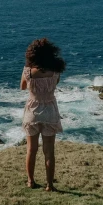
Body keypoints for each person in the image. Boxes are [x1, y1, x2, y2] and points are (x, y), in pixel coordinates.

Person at [20, 37, 65, 191]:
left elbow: (22, 87)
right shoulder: (56, 71)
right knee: (49, 151)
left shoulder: (28, 71)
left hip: (32, 111)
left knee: (31, 150)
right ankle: (49, 185)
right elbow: (54, 85)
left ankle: (30, 181)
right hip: (50, 111)